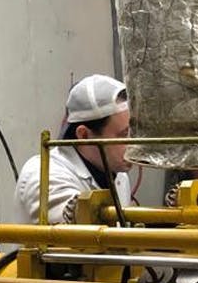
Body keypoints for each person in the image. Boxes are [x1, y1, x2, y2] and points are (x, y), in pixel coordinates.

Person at [14, 74, 133, 225]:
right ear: (83, 135)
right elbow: (80, 232)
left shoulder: (118, 176)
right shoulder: (44, 174)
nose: (132, 144)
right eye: (123, 135)